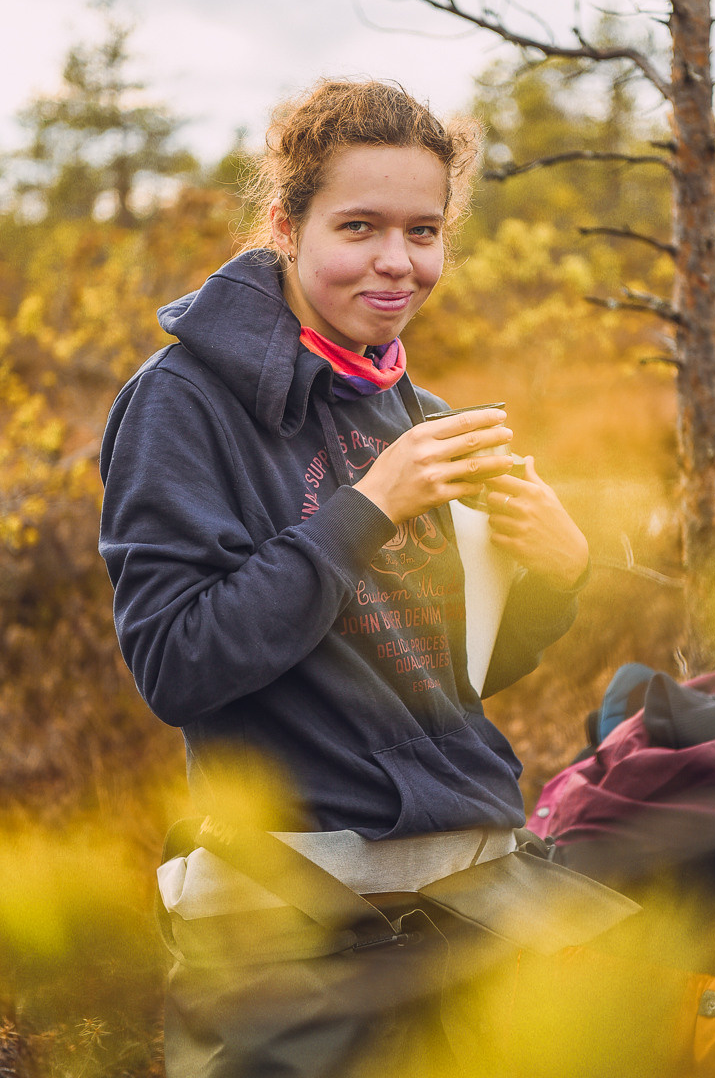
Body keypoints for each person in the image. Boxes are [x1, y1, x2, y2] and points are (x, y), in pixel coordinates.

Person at [99, 80, 615, 1078]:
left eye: (424, 231)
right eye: (360, 226)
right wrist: (368, 509)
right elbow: (176, 663)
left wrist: (556, 576)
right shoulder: (179, 404)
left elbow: (435, 680)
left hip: (477, 886)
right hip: (297, 922)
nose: (397, 261)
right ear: (287, 228)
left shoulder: (413, 410)